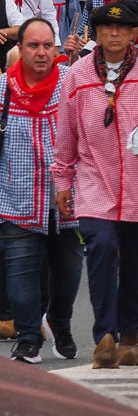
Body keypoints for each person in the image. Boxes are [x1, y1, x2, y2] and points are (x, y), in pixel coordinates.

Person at [52, 0, 138, 369]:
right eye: (105, 28)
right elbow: (66, 133)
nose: (113, 34)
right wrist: (62, 181)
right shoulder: (78, 74)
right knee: (100, 246)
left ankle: (130, 333)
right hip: (93, 180)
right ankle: (105, 334)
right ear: (96, 33)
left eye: (122, 28)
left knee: (135, 258)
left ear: (135, 33)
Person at [0, 19, 82, 364]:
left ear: (57, 48)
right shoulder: (2, 88)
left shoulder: (72, 83)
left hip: (68, 200)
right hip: (15, 197)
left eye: (48, 45)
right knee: (21, 273)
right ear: (20, 49)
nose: (42, 52)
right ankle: (29, 338)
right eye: (33, 45)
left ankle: (59, 322)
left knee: (69, 273)